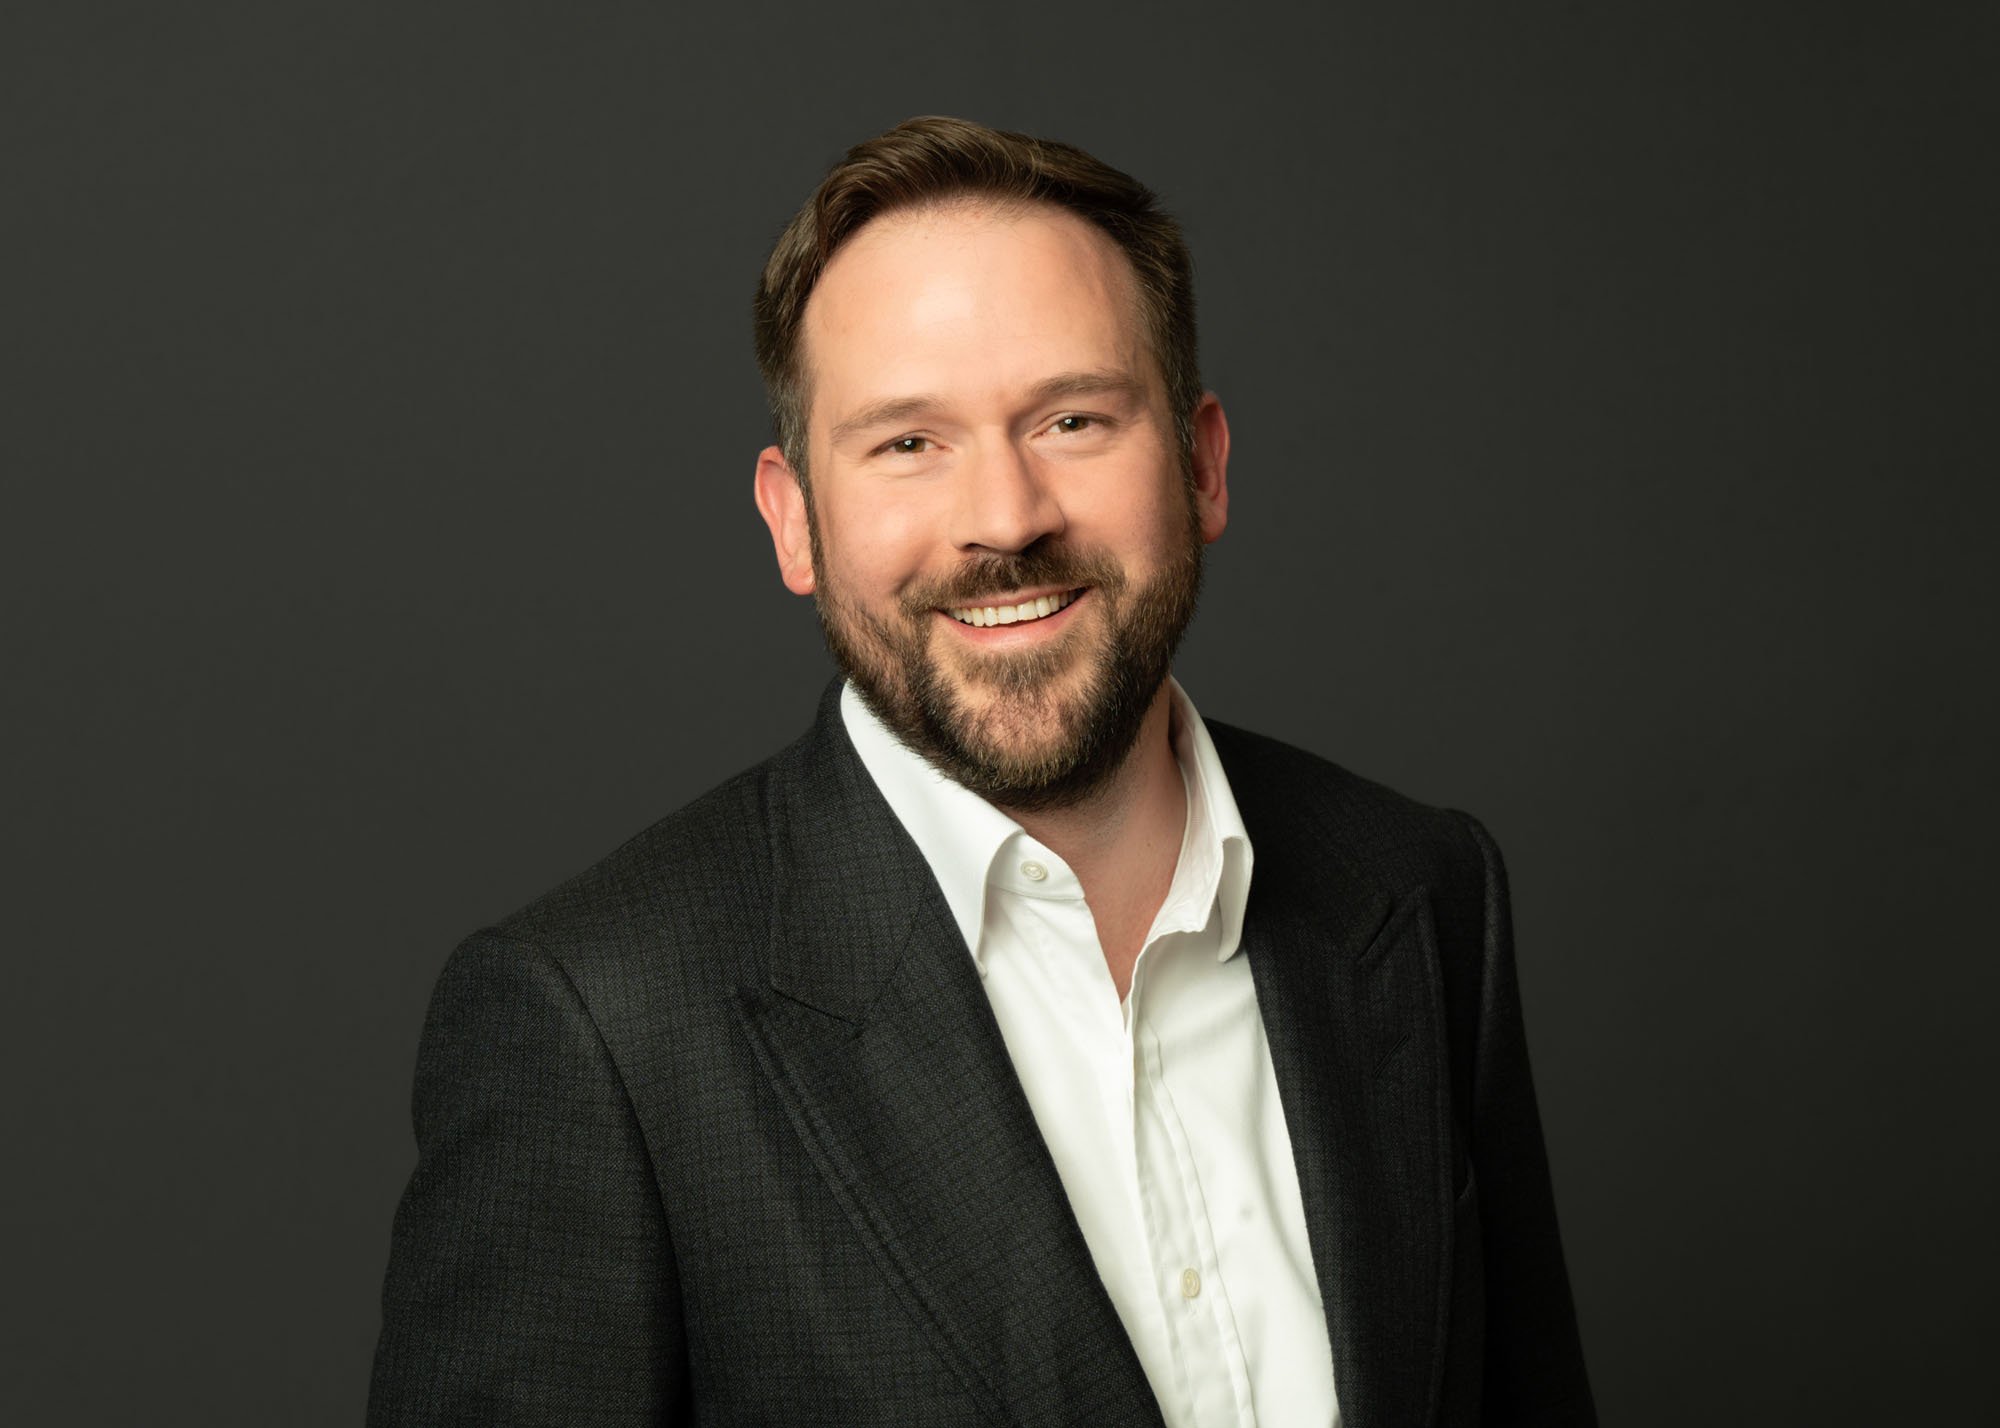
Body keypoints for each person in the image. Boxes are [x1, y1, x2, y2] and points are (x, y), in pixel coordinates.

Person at [368, 115, 1595, 1428]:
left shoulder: (1418, 891)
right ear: (794, 520)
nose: (1006, 518)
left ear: (1203, 464)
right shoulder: (598, 1025)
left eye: (1073, 418)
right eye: (908, 441)